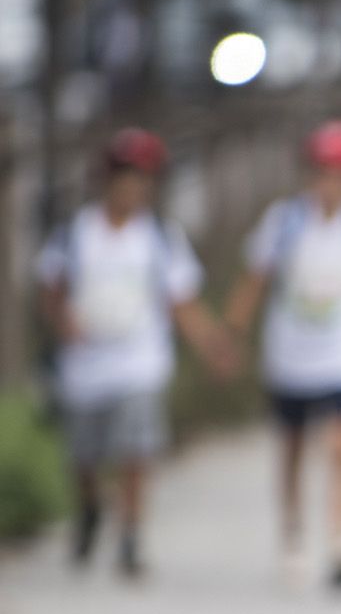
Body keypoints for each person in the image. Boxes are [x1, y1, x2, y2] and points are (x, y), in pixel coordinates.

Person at [35, 127, 235, 579]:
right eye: (125, 177)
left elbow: (183, 303)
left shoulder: (160, 237)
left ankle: (130, 535)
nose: (133, 188)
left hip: (139, 362)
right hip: (86, 364)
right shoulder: (75, 234)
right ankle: (89, 509)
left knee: (134, 450)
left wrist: (213, 345)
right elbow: (50, 289)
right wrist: (64, 322)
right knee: (84, 455)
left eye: (142, 179)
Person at [226, 120, 341, 591]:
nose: (331, 182)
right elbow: (255, 280)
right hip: (292, 354)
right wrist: (232, 332)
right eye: (323, 171)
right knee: (292, 449)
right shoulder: (284, 222)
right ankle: (293, 536)